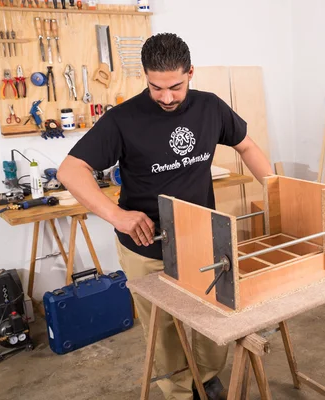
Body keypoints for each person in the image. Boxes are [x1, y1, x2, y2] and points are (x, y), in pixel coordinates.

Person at [57, 33, 273, 400]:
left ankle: (205, 377)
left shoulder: (211, 108)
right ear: (145, 76)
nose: (167, 97)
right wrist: (118, 216)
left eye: (175, 86)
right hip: (145, 246)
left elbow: (247, 146)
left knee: (212, 317)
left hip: (202, 238)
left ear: (190, 72)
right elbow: (70, 170)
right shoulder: (123, 120)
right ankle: (176, 390)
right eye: (157, 87)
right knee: (164, 333)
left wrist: (277, 190)